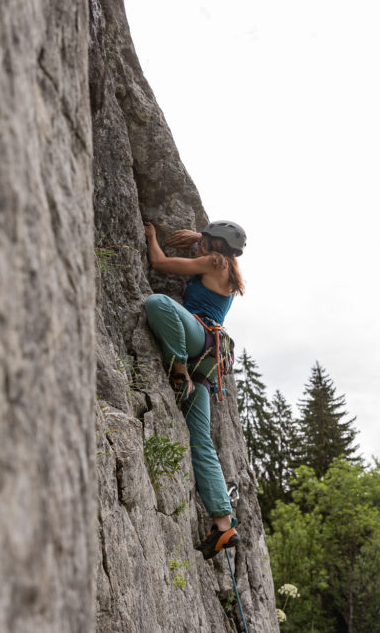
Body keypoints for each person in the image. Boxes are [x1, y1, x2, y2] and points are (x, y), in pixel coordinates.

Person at [142, 220, 247, 559]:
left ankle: (177, 369)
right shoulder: (226, 266)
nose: (198, 245)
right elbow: (209, 245)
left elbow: (159, 263)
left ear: (216, 245)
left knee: (158, 303)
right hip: (207, 359)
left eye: (206, 240)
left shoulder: (216, 263)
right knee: (201, 443)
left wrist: (151, 236)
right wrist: (199, 236)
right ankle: (224, 524)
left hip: (196, 341)